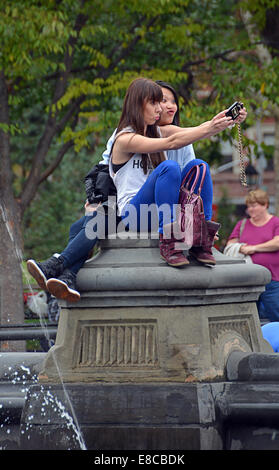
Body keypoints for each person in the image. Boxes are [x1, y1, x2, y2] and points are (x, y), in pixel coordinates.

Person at [27, 77, 246, 302]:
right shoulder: (125, 139)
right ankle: (61, 266)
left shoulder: (157, 132)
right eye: (154, 103)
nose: (160, 108)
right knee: (166, 168)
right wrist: (211, 127)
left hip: (151, 212)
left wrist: (222, 121)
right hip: (133, 215)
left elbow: (188, 133)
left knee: (199, 165)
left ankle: (204, 237)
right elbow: (171, 144)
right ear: (139, 103)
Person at [225, 189, 279, 322]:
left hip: (272, 280)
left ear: (265, 204)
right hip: (248, 280)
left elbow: (277, 242)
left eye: (254, 205)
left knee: (275, 316)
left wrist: (254, 248)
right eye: (249, 206)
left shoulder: (275, 222)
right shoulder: (242, 224)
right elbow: (231, 242)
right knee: (249, 318)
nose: (251, 209)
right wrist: (241, 248)